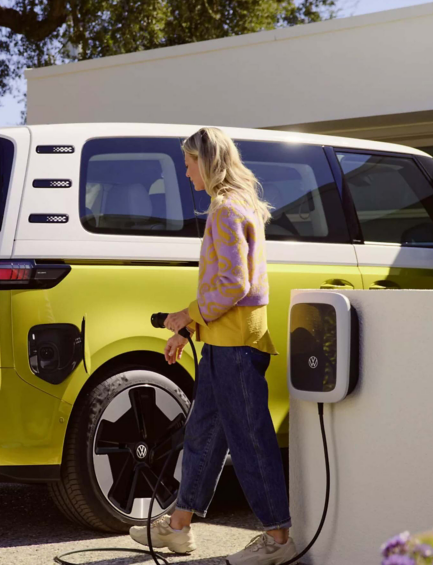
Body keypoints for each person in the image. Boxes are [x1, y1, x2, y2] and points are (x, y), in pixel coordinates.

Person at [129, 127, 296, 565]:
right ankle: (178, 529)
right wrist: (189, 330)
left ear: (206, 161)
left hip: (234, 348)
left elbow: (234, 284)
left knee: (250, 441)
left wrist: (187, 315)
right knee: (203, 435)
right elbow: (235, 285)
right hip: (232, 343)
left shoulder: (223, 209)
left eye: (188, 163)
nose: (185, 173)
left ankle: (278, 541)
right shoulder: (241, 205)